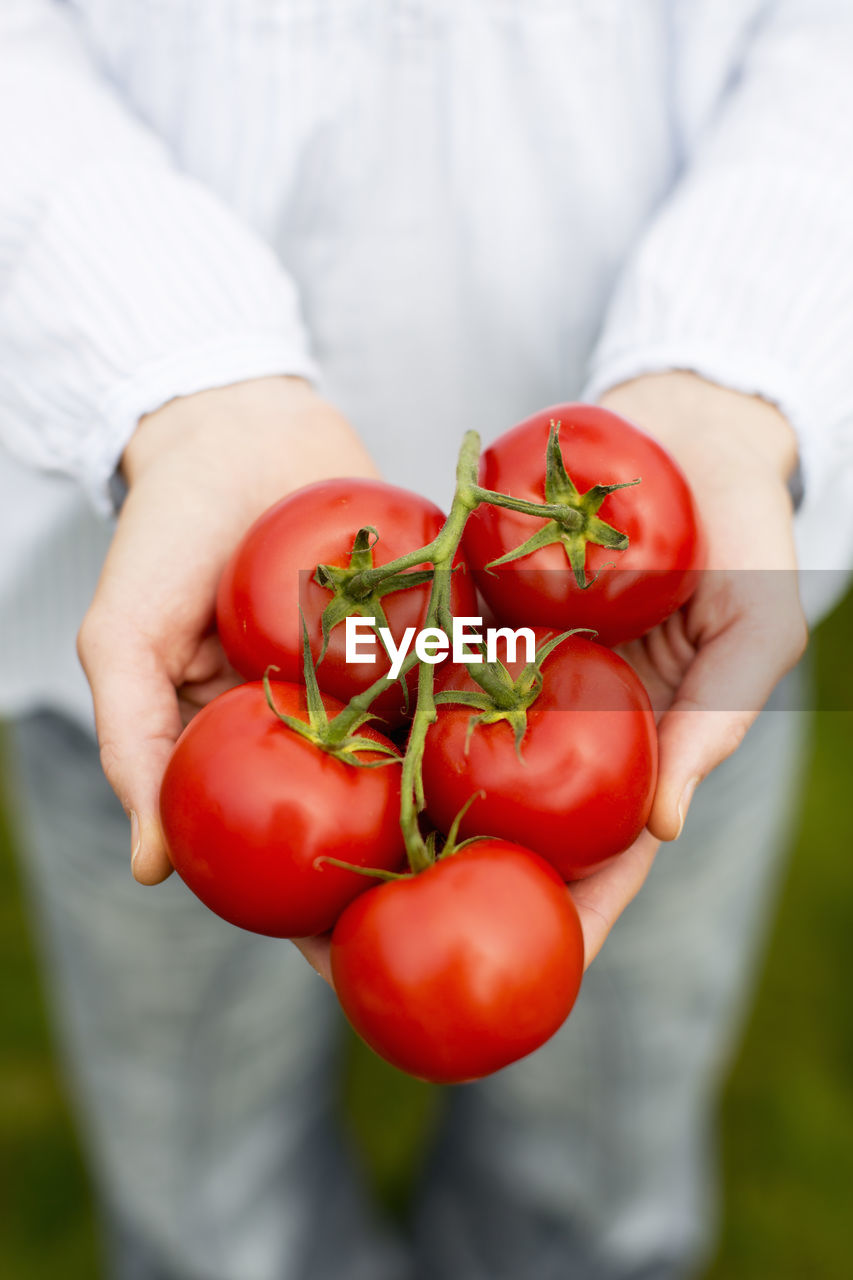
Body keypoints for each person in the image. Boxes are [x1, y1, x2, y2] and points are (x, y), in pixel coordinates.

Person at [2, 2, 852, 1277]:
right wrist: (161, 363)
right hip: (159, 611)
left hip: (671, 659)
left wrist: (740, 355)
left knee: (594, 1172)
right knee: (207, 1192)